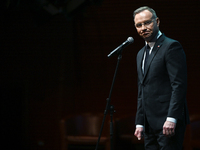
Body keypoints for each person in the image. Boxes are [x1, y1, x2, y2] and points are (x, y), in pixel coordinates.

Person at [133, 6, 190, 150]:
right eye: (139, 25)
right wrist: (140, 122)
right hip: (149, 124)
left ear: (157, 21)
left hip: (168, 122)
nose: (143, 28)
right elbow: (142, 90)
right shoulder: (140, 54)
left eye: (147, 22)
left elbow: (179, 85)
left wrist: (172, 118)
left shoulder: (171, 46)